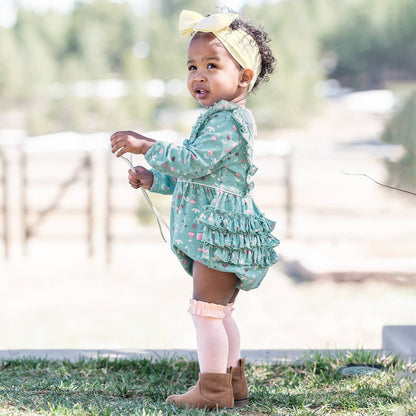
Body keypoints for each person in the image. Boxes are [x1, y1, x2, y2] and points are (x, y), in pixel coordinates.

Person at [110, 9, 279, 410]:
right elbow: (199, 175)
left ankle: (212, 389)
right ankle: (232, 382)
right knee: (218, 312)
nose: (198, 75)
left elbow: (194, 162)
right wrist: (156, 178)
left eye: (211, 65)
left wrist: (148, 145)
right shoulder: (215, 119)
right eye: (192, 66)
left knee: (205, 313)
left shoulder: (230, 121)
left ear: (243, 77)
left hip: (219, 232)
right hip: (217, 229)